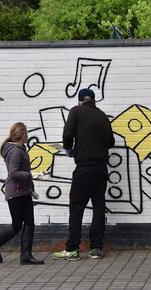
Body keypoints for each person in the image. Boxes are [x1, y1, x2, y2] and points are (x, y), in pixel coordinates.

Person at [53, 88, 115, 261]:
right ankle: (95, 248)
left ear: (80, 101)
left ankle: (72, 249)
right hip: (101, 168)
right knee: (99, 207)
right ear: (93, 100)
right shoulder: (103, 116)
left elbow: (67, 134)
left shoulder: (76, 112)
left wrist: (68, 150)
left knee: (77, 206)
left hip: (84, 168)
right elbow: (111, 142)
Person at [0, 122, 44, 265]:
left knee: (30, 222)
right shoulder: (16, 151)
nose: (28, 136)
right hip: (16, 194)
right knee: (17, 225)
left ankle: (26, 256)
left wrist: (32, 190)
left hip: (24, 192)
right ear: (23, 134)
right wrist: (32, 175)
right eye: (27, 133)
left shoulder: (20, 149)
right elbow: (13, 173)